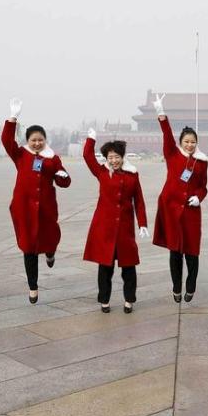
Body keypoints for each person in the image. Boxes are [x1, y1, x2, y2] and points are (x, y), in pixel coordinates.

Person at [1, 98, 71, 303]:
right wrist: (12, 118)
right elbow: (7, 141)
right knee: (28, 247)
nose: (37, 143)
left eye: (40, 139)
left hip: (47, 208)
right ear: (28, 141)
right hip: (23, 208)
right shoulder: (21, 154)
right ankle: (33, 286)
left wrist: (63, 176)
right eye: (33, 140)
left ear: (45, 140)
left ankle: (50, 253)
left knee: (50, 239)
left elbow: (63, 182)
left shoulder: (53, 158)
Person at [150, 93, 208, 302]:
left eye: (193, 142)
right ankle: (176, 286)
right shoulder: (172, 155)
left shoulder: (202, 162)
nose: (190, 145)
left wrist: (198, 198)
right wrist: (161, 113)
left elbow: (203, 187)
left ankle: (190, 285)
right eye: (186, 141)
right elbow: (167, 135)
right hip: (171, 209)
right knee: (175, 251)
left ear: (197, 143)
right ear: (181, 142)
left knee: (192, 252)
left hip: (191, 212)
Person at [82, 128, 148, 313]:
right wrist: (91, 139)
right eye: (110, 157)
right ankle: (104, 300)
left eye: (116, 156)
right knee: (105, 266)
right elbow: (87, 156)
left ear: (122, 156)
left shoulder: (132, 175)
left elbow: (139, 201)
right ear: (106, 158)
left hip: (125, 228)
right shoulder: (101, 172)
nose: (114, 160)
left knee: (129, 266)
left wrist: (142, 223)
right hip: (104, 227)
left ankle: (129, 300)